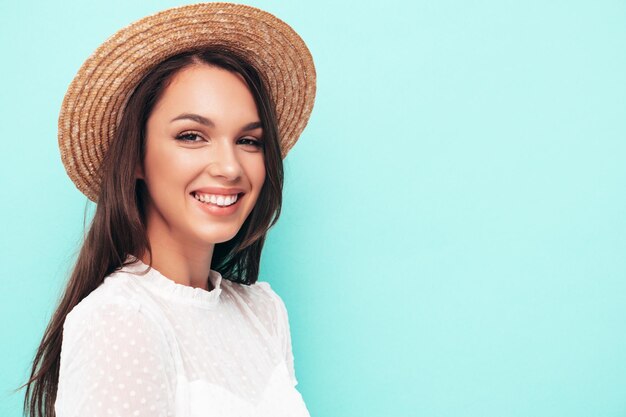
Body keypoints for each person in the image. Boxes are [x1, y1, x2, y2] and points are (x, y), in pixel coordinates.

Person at [19, 3, 316, 417]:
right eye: (192, 136)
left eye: (249, 141)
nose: (230, 167)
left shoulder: (263, 313)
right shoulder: (119, 321)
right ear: (136, 157)